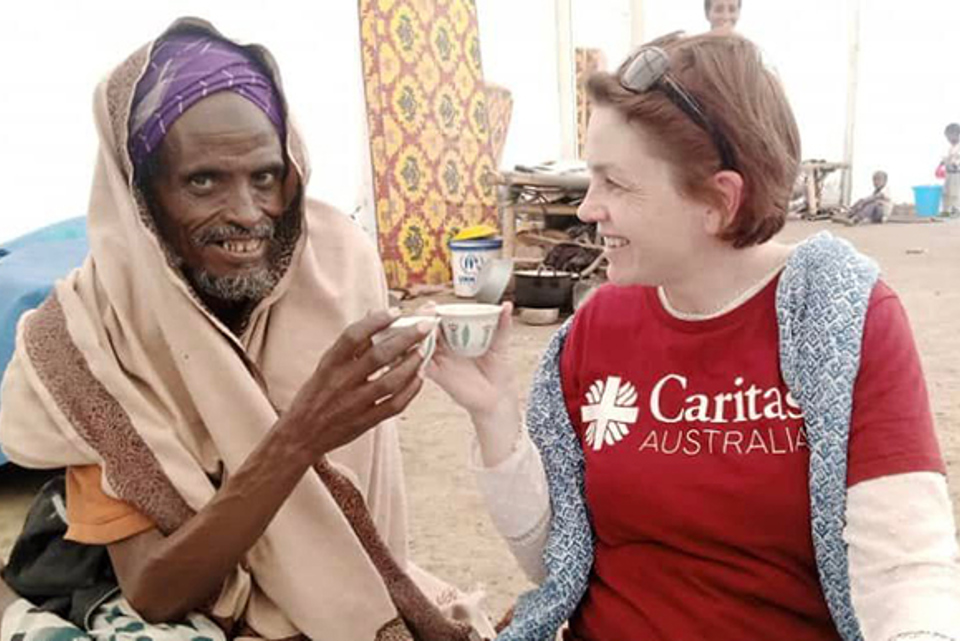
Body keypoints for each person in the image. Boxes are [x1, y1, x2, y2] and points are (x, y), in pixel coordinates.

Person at [429, 32, 960, 641]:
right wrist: (495, 416)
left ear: (719, 200)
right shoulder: (598, 326)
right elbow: (559, 559)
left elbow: (906, 573)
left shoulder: (839, 318)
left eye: (615, 183)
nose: (585, 209)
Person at [0, 18, 493, 641]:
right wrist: (296, 439)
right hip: (170, 599)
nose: (245, 215)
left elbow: (351, 535)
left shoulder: (334, 269)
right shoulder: (94, 338)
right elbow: (156, 593)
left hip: (327, 598)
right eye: (202, 181)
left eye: (264, 176)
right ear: (140, 194)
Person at [939, 123, 960, 215]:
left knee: (955, 192)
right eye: (948, 137)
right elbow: (949, 158)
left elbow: (956, 159)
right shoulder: (951, 147)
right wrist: (942, 162)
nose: (950, 139)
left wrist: (955, 163)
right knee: (946, 191)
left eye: (952, 136)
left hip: (957, 173)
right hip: (949, 172)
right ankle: (946, 209)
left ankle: (956, 209)